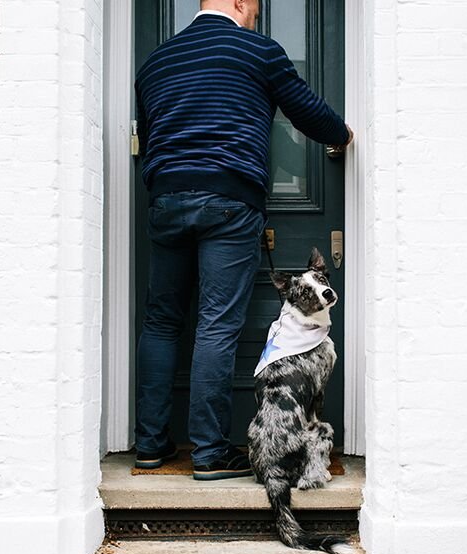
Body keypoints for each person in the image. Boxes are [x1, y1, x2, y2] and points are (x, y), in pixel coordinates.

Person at [134, 0, 353, 481]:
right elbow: (308, 112)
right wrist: (342, 135)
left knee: (162, 320)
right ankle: (209, 453)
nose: (255, 15)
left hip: (167, 198)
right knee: (215, 323)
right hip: (229, 199)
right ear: (240, 3)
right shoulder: (256, 51)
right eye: (254, 7)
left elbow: (148, 138)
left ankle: (150, 445)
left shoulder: (156, 62)